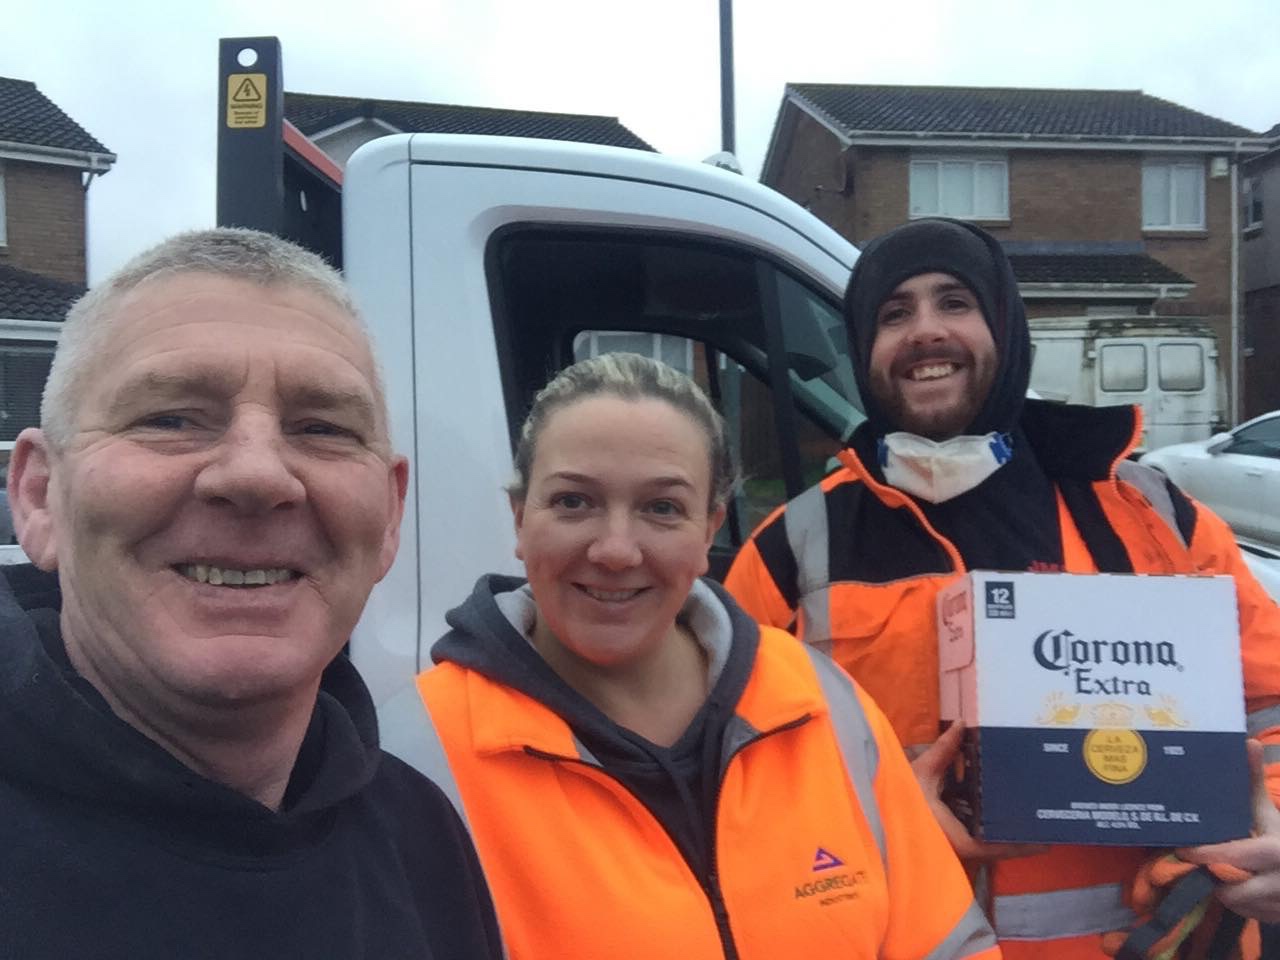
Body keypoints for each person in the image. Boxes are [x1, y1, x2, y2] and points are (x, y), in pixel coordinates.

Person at [724, 217, 1280, 957]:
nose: (926, 331)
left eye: (955, 302)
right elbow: (727, 778)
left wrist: (1274, 829)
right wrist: (875, 816)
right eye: (894, 314)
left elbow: (1270, 707)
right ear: (862, 349)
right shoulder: (792, 551)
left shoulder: (1150, 517)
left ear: (1006, 328)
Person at [380, 353, 999, 959]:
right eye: (573, 501)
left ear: (709, 530)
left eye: (662, 508)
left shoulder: (821, 702)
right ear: (520, 519)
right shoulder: (415, 758)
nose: (616, 550)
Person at [0, 228, 502, 959]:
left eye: (322, 428)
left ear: (391, 516)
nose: (257, 475)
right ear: (40, 496)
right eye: (171, 419)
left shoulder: (421, 833)